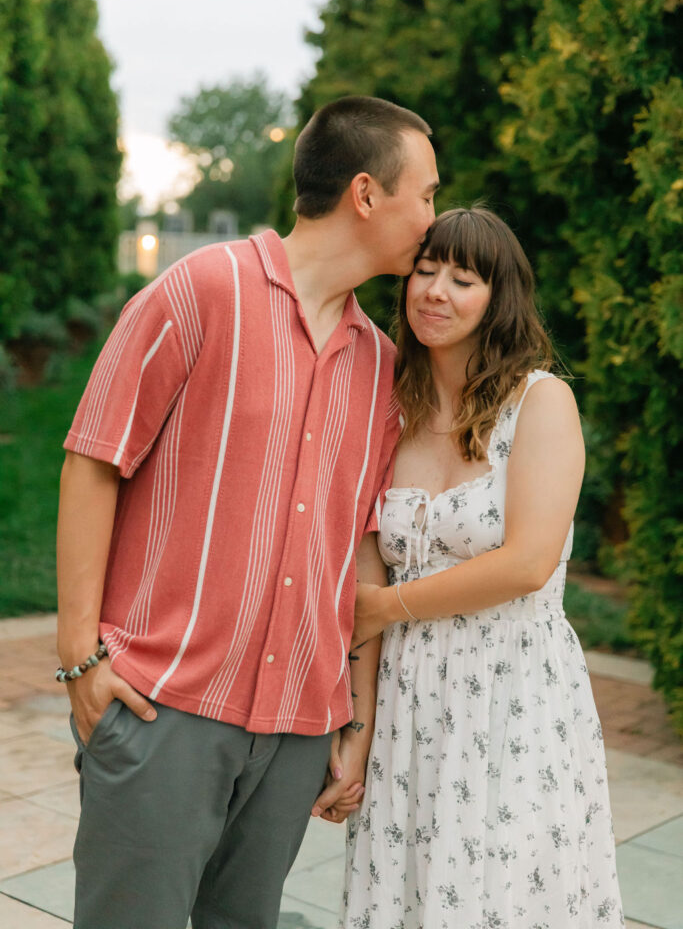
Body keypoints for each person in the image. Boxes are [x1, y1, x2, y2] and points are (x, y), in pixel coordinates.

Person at [55, 95, 439, 929]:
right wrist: (81, 657)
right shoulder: (200, 291)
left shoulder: (379, 365)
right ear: (366, 194)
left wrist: (352, 718)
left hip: (297, 729)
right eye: (428, 194)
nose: (433, 220)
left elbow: (362, 548)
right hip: (165, 708)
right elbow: (93, 457)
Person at [331, 207, 624, 928]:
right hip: (406, 700)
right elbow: (367, 568)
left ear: (499, 298)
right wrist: (358, 729)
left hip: (511, 695)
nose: (435, 290)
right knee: (408, 894)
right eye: (425, 270)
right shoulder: (388, 409)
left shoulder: (540, 402)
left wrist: (388, 608)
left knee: (502, 895)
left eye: (462, 278)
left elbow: (526, 563)